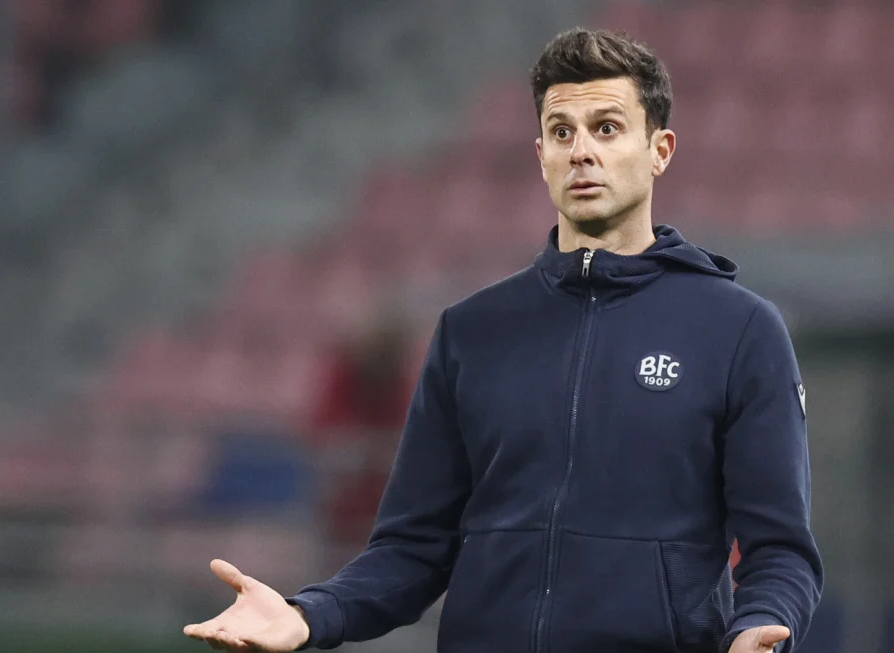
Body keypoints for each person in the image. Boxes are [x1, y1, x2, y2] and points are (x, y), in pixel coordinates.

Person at [184, 27, 823, 653]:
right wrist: (306, 616)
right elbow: (411, 551)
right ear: (540, 153)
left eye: (607, 128)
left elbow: (782, 553)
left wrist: (758, 630)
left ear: (660, 149)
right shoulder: (471, 332)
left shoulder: (740, 330)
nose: (581, 151)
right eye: (561, 131)